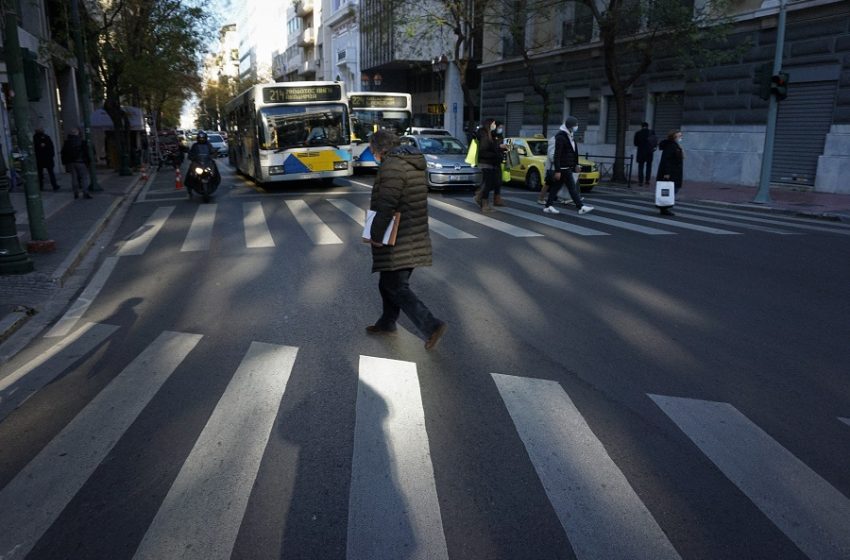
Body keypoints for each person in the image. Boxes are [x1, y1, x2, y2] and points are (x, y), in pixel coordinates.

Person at [365, 129, 447, 350]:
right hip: (413, 232)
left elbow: (386, 205)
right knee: (388, 283)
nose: (372, 153)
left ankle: (432, 325)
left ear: (381, 148)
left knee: (396, 286)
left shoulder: (392, 166)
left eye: (372, 149)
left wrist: (375, 235)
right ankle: (387, 323)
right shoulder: (411, 161)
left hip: (400, 237)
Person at [544, 116, 593, 215]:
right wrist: (557, 170)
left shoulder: (569, 136)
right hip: (562, 168)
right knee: (571, 188)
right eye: (576, 125)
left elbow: (573, 152)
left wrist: (575, 165)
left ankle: (548, 206)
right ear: (570, 126)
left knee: (556, 188)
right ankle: (581, 206)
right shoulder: (561, 137)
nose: (577, 127)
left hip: (566, 167)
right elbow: (557, 155)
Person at [473, 118, 506, 212]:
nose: (495, 127)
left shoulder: (490, 134)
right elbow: (484, 151)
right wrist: (497, 152)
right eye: (494, 125)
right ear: (489, 125)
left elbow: (491, 147)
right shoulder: (484, 135)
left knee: (491, 183)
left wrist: (499, 149)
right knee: (488, 184)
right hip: (486, 162)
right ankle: (484, 204)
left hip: (490, 162)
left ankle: (481, 199)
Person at [655, 129, 684, 216]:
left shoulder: (673, 145)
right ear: (674, 137)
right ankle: (664, 207)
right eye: (679, 136)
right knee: (672, 189)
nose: (681, 137)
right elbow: (667, 160)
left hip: (673, 171)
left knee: (672, 189)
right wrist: (667, 173)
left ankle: (664, 207)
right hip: (671, 172)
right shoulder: (671, 146)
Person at [60, 127, 92, 199]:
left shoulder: (67, 142)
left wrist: (65, 162)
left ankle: (76, 193)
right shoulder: (82, 142)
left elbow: (63, 153)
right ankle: (85, 192)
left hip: (71, 163)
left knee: (74, 178)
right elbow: (86, 152)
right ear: (77, 133)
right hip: (81, 162)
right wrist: (88, 161)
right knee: (84, 177)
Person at [633, 122, 657, 187]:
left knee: (641, 167)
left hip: (641, 152)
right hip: (649, 152)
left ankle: (640, 181)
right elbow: (655, 142)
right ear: (647, 126)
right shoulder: (652, 132)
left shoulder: (638, 133)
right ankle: (647, 181)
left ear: (641, 126)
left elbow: (635, 143)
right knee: (649, 167)